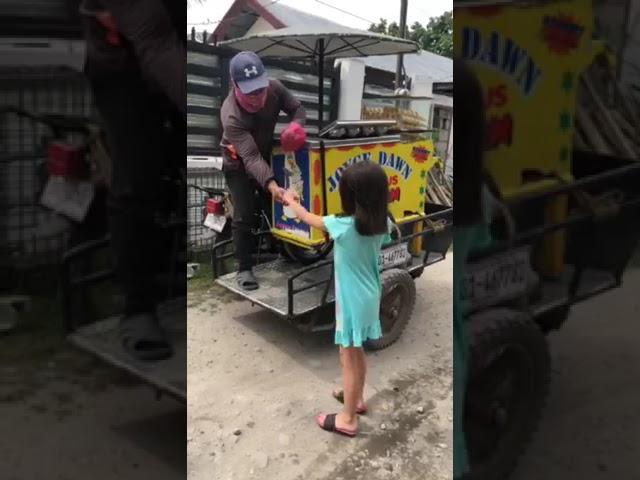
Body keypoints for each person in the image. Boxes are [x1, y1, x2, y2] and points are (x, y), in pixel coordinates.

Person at [78, 0, 186, 361]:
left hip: (169, 54)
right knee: (136, 177)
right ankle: (137, 310)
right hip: (122, 72)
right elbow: (157, 47)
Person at [283, 161, 390, 437]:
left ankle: (348, 418)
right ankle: (355, 398)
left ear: (350, 197)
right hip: (369, 295)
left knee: (349, 356)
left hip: (352, 300)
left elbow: (307, 217)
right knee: (355, 353)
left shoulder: (342, 225)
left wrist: (289, 199)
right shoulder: (383, 222)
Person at [220, 51, 306, 291]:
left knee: (279, 207)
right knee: (244, 214)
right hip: (238, 164)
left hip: (266, 156)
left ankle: (284, 250)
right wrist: (271, 185)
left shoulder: (276, 88)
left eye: (260, 89)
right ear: (235, 85)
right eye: (250, 93)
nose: (257, 98)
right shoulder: (231, 115)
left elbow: (297, 109)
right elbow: (251, 157)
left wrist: (296, 126)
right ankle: (244, 267)